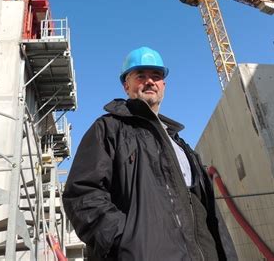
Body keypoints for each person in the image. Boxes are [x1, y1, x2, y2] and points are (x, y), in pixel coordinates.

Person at [63, 47, 237, 261]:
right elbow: (82, 193)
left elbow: (204, 209)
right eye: (141, 76)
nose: (150, 81)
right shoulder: (108, 129)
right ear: (126, 85)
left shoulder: (181, 145)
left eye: (156, 76)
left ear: (163, 85)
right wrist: (126, 242)